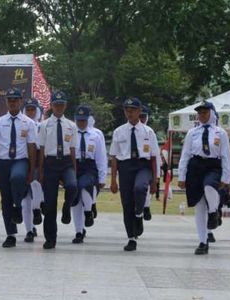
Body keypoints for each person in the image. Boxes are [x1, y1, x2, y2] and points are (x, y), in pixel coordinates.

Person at [177, 100, 230, 255]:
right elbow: (185, 155)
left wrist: (227, 177)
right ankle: (203, 242)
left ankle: (214, 212)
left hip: (213, 166)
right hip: (195, 167)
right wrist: (181, 176)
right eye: (199, 113)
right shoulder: (192, 133)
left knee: (209, 187)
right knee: (199, 206)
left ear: (212, 113)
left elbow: (226, 156)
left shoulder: (220, 133)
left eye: (205, 112)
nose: (202, 115)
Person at [0, 87, 37, 248]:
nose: (12, 102)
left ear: (20, 101)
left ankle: (18, 205)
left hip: (20, 161)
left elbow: (31, 147)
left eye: (15, 99)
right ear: (6, 102)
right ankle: (10, 234)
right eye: (10, 100)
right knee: (5, 200)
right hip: (3, 162)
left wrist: (31, 170)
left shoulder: (28, 123)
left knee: (17, 178)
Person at [109, 98, 158, 252]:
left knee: (140, 188)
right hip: (125, 167)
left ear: (139, 111)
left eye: (133, 110)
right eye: (127, 110)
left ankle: (139, 213)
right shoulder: (119, 131)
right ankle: (131, 238)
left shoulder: (148, 132)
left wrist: (155, 180)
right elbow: (115, 157)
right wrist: (113, 180)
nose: (129, 113)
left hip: (143, 166)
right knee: (127, 203)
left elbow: (154, 157)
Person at [38, 91, 78, 249]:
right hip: (50, 163)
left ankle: (67, 207)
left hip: (66, 162)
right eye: (56, 104)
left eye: (62, 104)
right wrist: (40, 171)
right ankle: (50, 238)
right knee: (49, 204)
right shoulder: (44, 125)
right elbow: (41, 149)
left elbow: (73, 149)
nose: (59, 107)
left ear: (65, 105)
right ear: (52, 106)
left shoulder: (71, 125)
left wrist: (74, 169)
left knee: (72, 185)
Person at [71, 105, 107, 244]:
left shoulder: (95, 135)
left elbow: (101, 157)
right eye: (78, 120)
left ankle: (88, 212)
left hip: (89, 167)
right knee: (75, 199)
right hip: (74, 166)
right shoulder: (70, 134)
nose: (81, 123)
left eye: (83, 120)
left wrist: (102, 177)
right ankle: (79, 231)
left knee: (84, 185)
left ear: (88, 119)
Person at [21, 98, 44, 243]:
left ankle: (37, 210)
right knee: (25, 200)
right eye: (28, 109)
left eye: (33, 109)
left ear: (37, 111)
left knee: (37, 190)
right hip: (24, 162)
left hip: (37, 164)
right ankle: (29, 230)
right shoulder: (20, 125)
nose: (30, 112)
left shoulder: (43, 126)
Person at [139, 104, 161, 221]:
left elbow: (156, 154)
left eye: (144, 116)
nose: (142, 119)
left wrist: (157, 176)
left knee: (146, 188)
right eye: (140, 116)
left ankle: (146, 206)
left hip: (147, 164)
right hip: (133, 165)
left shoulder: (150, 132)